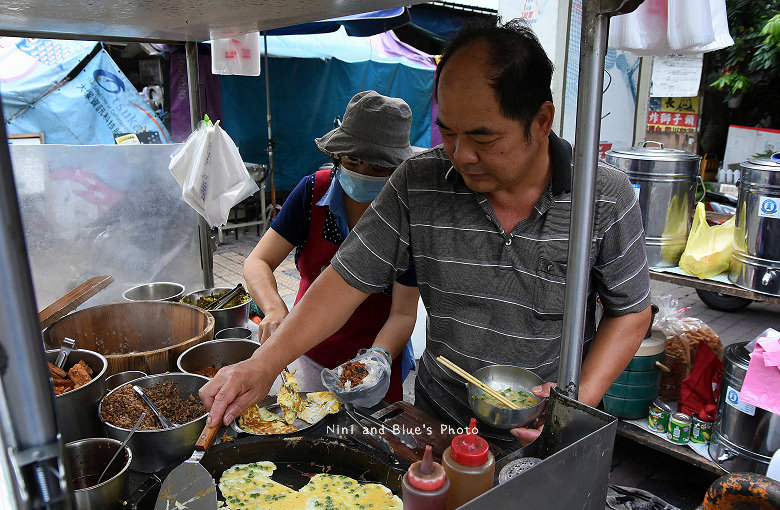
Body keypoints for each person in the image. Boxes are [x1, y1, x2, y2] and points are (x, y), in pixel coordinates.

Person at [201, 20, 652, 444]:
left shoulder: (603, 195)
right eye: (448, 132)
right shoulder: (420, 181)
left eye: (483, 138)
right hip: (438, 422)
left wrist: (574, 406)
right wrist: (262, 365)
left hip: (549, 427)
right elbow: (341, 282)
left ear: (541, 120)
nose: (461, 155)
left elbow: (630, 312)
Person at [242, 90, 420, 404]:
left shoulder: (408, 215)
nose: (362, 173)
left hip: (373, 361)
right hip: (306, 351)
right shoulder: (312, 193)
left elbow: (404, 312)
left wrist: (377, 359)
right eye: (353, 160)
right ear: (338, 154)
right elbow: (257, 261)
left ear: (398, 169)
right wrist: (273, 308)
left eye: (378, 168)